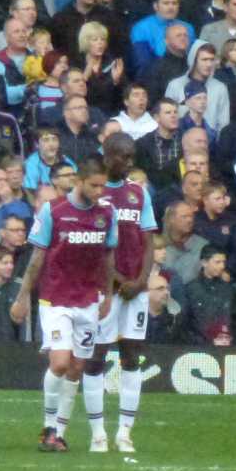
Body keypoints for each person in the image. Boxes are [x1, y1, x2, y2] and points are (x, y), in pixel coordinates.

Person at [10, 157, 118, 452]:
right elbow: (37, 258)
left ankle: (59, 432)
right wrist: (22, 298)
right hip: (56, 298)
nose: (99, 192)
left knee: (76, 367)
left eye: (103, 186)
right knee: (59, 362)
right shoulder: (54, 210)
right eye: (94, 186)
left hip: (87, 300)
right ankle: (47, 426)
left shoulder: (107, 214)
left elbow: (108, 257)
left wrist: (107, 295)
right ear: (79, 181)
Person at [85, 134, 156, 453]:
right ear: (107, 154)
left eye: (132, 158)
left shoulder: (139, 193)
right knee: (97, 356)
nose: (128, 164)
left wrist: (141, 280)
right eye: (123, 157)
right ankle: (97, 432)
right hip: (104, 290)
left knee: (131, 355)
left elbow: (149, 240)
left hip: (134, 289)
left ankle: (125, 431)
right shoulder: (96, 193)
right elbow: (91, 243)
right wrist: (115, 281)